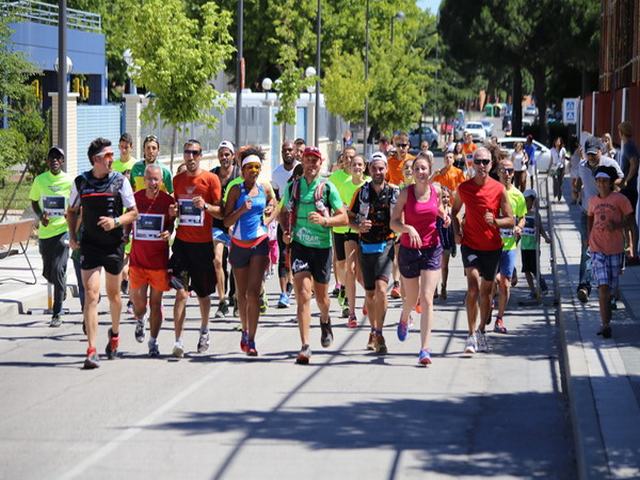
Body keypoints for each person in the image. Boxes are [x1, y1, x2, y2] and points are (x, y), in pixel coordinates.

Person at [67, 138, 139, 369]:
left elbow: (134, 213)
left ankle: (115, 334)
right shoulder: (81, 182)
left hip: (113, 245)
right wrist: (73, 236)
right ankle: (91, 349)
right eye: (108, 155)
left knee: (114, 295)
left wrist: (116, 221)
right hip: (90, 244)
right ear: (96, 159)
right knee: (91, 294)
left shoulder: (120, 181)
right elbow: (72, 211)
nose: (112, 159)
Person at [280, 146, 348, 365]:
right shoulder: (293, 187)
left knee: (322, 299)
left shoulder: (328, 188)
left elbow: (344, 218)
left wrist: (325, 221)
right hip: (300, 246)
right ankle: (305, 346)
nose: (311, 164)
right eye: (308, 160)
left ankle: (325, 320)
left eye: (315, 161)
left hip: (321, 247)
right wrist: (286, 232)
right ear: (303, 161)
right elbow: (283, 213)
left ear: (321, 163)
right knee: (303, 293)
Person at [452, 147, 514, 355]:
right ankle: (470, 335)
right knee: (472, 288)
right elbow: (454, 213)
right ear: (472, 164)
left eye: (485, 162)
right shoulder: (464, 188)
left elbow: (511, 220)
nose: (481, 166)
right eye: (477, 162)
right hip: (470, 245)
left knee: (486, 293)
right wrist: (456, 231)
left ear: (491, 164)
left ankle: (481, 331)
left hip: (492, 247)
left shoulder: (498, 189)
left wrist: (495, 221)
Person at [391, 152, 449, 365]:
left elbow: (439, 209)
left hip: (432, 249)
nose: (421, 172)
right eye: (417, 169)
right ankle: (405, 317)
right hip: (409, 249)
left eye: (424, 168)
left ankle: (425, 349)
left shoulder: (437, 190)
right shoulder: (406, 194)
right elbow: (393, 223)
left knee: (426, 299)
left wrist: (445, 216)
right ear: (413, 173)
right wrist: (407, 228)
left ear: (430, 170)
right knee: (412, 299)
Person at [170, 139, 222, 357]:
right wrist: (173, 211)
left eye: (195, 153)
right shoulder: (177, 180)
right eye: (187, 153)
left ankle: (204, 330)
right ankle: (178, 341)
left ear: (201, 155)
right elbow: (175, 205)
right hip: (182, 243)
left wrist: (207, 206)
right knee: (181, 293)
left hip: (202, 245)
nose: (190, 157)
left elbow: (222, 212)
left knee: (202, 294)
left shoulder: (211, 179)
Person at [224, 148, 276, 356]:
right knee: (241, 294)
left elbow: (274, 201)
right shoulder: (235, 190)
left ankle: (252, 340)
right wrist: (242, 210)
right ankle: (244, 330)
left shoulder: (264, 187)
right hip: (238, 244)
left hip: (259, 242)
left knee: (253, 293)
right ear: (242, 170)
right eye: (249, 168)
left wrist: (270, 212)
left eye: (256, 168)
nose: (253, 171)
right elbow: (226, 220)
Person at [348, 151, 399, 353]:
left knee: (381, 289)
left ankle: (379, 332)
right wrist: (359, 226)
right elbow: (348, 217)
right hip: (366, 246)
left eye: (381, 168)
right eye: (375, 168)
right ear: (370, 169)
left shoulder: (395, 192)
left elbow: (403, 217)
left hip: (386, 245)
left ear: (386, 169)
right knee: (370, 294)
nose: (378, 172)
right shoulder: (361, 193)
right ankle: (372, 329)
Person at [127, 164, 175, 356]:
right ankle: (140, 319)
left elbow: (172, 226)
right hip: (138, 260)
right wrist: (124, 237)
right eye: (150, 179)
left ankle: (153, 342)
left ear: (162, 181)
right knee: (139, 304)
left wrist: (168, 232)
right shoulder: (135, 199)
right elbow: (127, 222)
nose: (153, 183)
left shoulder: (167, 201)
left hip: (158, 262)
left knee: (156, 303)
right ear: (144, 180)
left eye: (156, 179)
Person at [574, 136, 623, 303]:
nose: (592, 158)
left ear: (600, 151)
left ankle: (609, 289)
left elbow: (621, 178)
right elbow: (580, 179)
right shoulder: (582, 166)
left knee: (607, 248)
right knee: (586, 247)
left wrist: (610, 186)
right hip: (587, 213)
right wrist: (576, 188)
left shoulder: (609, 164)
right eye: (589, 155)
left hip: (607, 214)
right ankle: (584, 286)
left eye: (594, 154)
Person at [587, 166, 635, 338]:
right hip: (597, 248)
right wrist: (588, 237)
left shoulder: (620, 199)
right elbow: (590, 216)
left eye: (605, 181)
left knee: (611, 290)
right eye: (598, 180)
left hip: (615, 249)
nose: (601, 184)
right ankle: (605, 324)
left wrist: (618, 226)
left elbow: (630, 219)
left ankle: (607, 317)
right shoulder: (592, 200)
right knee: (603, 286)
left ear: (610, 183)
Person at [29, 146, 72, 327]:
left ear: (62, 161)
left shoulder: (70, 181)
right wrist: (41, 216)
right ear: (47, 161)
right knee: (48, 271)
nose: (55, 160)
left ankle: (57, 313)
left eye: (58, 158)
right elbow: (34, 201)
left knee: (58, 269)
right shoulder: (40, 180)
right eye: (51, 157)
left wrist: (69, 214)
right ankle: (61, 288)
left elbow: (76, 204)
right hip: (46, 233)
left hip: (63, 231)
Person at [494, 159, 526, 333]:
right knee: (490, 281)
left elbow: (522, 217)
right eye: (503, 170)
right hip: (491, 245)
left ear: (514, 173)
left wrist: (519, 227)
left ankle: (499, 318)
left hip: (509, 246)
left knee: (505, 284)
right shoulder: (492, 192)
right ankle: (487, 304)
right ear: (498, 172)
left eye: (510, 171)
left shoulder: (518, 195)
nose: (507, 174)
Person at [211, 140, 239, 318]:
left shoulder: (239, 174)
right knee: (217, 260)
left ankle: (236, 298)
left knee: (236, 263)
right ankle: (222, 302)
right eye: (221, 154)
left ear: (233, 156)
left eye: (227, 154)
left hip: (236, 224)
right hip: (218, 224)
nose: (224, 157)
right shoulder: (212, 175)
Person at [271, 141, 300, 308]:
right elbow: (276, 199)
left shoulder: (301, 170)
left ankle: (296, 288)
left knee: (296, 257)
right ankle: (283, 293)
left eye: (290, 150)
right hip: (284, 218)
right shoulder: (276, 173)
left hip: (300, 219)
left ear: (295, 152)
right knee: (283, 256)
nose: (287, 153)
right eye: (284, 150)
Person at [339, 155, 367, 325]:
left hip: (368, 232)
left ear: (364, 167)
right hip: (349, 230)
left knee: (362, 272)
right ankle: (351, 312)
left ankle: (369, 295)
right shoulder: (345, 184)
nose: (357, 167)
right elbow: (341, 208)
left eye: (359, 165)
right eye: (354, 164)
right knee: (350, 269)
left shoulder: (369, 184)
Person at [328, 147, 355, 306]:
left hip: (355, 227)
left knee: (354, 266)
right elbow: (328, 198)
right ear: (342, 159)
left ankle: (348, 292)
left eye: (352, 157)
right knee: (341, 262)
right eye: (346, 157)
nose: (349, 160)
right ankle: (344, 288)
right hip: (339, 225)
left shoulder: (362, 178)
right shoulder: (335, 177)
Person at [521, 189, 551, 298]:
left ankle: (543, 287)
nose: (525, 203)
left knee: (535, 269)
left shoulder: (535, 215)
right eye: (523, 200)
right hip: (524, 247)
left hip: (534, 247)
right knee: (526, 270)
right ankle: (532, 291)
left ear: (533, 201)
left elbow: (541, 229)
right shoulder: (521, 214)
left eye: (527, 200)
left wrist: (546, 238)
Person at [617, 121, 639, 264]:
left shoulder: (629, 146)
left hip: (629, 189)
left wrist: (626, 180)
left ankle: (633, 253)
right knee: (627, 221)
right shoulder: (628, 145)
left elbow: (634, 163)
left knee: (629, 222)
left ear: (621, 132)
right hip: (628, 189)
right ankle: (630, 251)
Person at [436, 187, 455, 300]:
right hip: (437, 240)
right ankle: (434, 288)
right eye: (443, 197)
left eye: (448, 197)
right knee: (435, 266)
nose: (446, 199)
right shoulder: (436, 211)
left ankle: (444, 286)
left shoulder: (451, 210)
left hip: (447, 241)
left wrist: (453, 245)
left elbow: (453, 229)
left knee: (444, 266)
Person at [550, 137, 567, 202]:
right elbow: (551, 160)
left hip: (561, 167)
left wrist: (565, 169)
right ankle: (555, 196)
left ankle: (559, 197)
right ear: (554, 142)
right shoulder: (552, 150)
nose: (557, 142)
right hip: (554, 167)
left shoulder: (563, 150)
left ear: (560, 142)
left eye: (559, 141)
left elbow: (564, 160)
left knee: (560, 183)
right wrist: (549, 169)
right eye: (556, 141)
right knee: (555, 182)